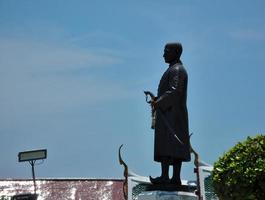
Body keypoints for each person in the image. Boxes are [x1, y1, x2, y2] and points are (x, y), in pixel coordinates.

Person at [150, 42, 191, 185]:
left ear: (176, 52)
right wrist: (157, 100)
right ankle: (166, 176)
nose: (164, 54)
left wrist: (159, 102)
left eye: (166, 51)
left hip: (173, 115)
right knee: (166, 145)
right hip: (168, 113)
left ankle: (173, 177)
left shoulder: (178, 70)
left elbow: (175, 91)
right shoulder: (172, 69)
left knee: (172, 144)